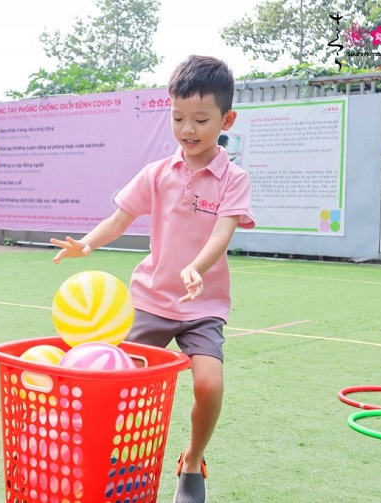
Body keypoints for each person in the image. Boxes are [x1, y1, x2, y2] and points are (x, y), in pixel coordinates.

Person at [50, 55, 255, 503]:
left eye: (201, 119)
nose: (188, 128)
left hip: (203, 307)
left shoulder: (233, 178)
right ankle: (117, 461)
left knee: (209, 384)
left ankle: (192, 461)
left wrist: (196, 269)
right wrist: (85, 245)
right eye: (178, 117)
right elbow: (120, 218)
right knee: (119, 381)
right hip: (152, 301)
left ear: (227, 119)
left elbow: (223, 233)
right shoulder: (158, 174)